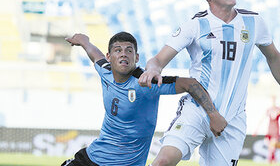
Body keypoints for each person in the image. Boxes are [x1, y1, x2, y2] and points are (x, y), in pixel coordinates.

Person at [138, 0, 280, 166]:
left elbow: (274, 58)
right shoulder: (195, 25)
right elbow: (158, 59)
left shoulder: (254, 22)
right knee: (162, 162)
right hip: (197, 110)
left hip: (233, 120)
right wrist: (153, 69)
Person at [61, 32, 227, 166]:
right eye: (118, 50)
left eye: (129, 50)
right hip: (91, 159)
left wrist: (213, 114)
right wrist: (84, 40)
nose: (123, 54)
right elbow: (94, 53)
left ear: (137, 57)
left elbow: (190, 84)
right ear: (109, 57)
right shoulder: (105, 71)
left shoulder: (146, 82)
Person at [253, 95, 280, 164]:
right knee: (270, 147)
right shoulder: (269, 109)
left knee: (273, 146)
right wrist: (256, 130)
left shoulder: (279, 109)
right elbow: (262, 119)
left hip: (276, 130)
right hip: (269, 130)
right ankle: (272, 161)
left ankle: (271, 160)